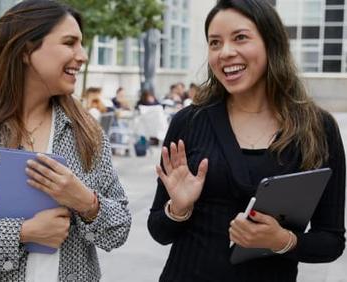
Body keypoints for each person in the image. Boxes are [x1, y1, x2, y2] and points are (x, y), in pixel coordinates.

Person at [0, 1, 131, 281]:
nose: (82, 56)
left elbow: (119, 230)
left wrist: (86, 202)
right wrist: (22, 233)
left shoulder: (87, 131)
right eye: (69, 43)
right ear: (25, 50)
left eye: (81, 44)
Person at [147, 1, 345, 281]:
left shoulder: (318, 128)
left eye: (240, 37)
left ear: (271, 43)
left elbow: (332, 241)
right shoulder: (188, 122)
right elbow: (158, 230)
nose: (225, 52)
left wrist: (282, 240)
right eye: (215, 43)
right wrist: (178, 209)